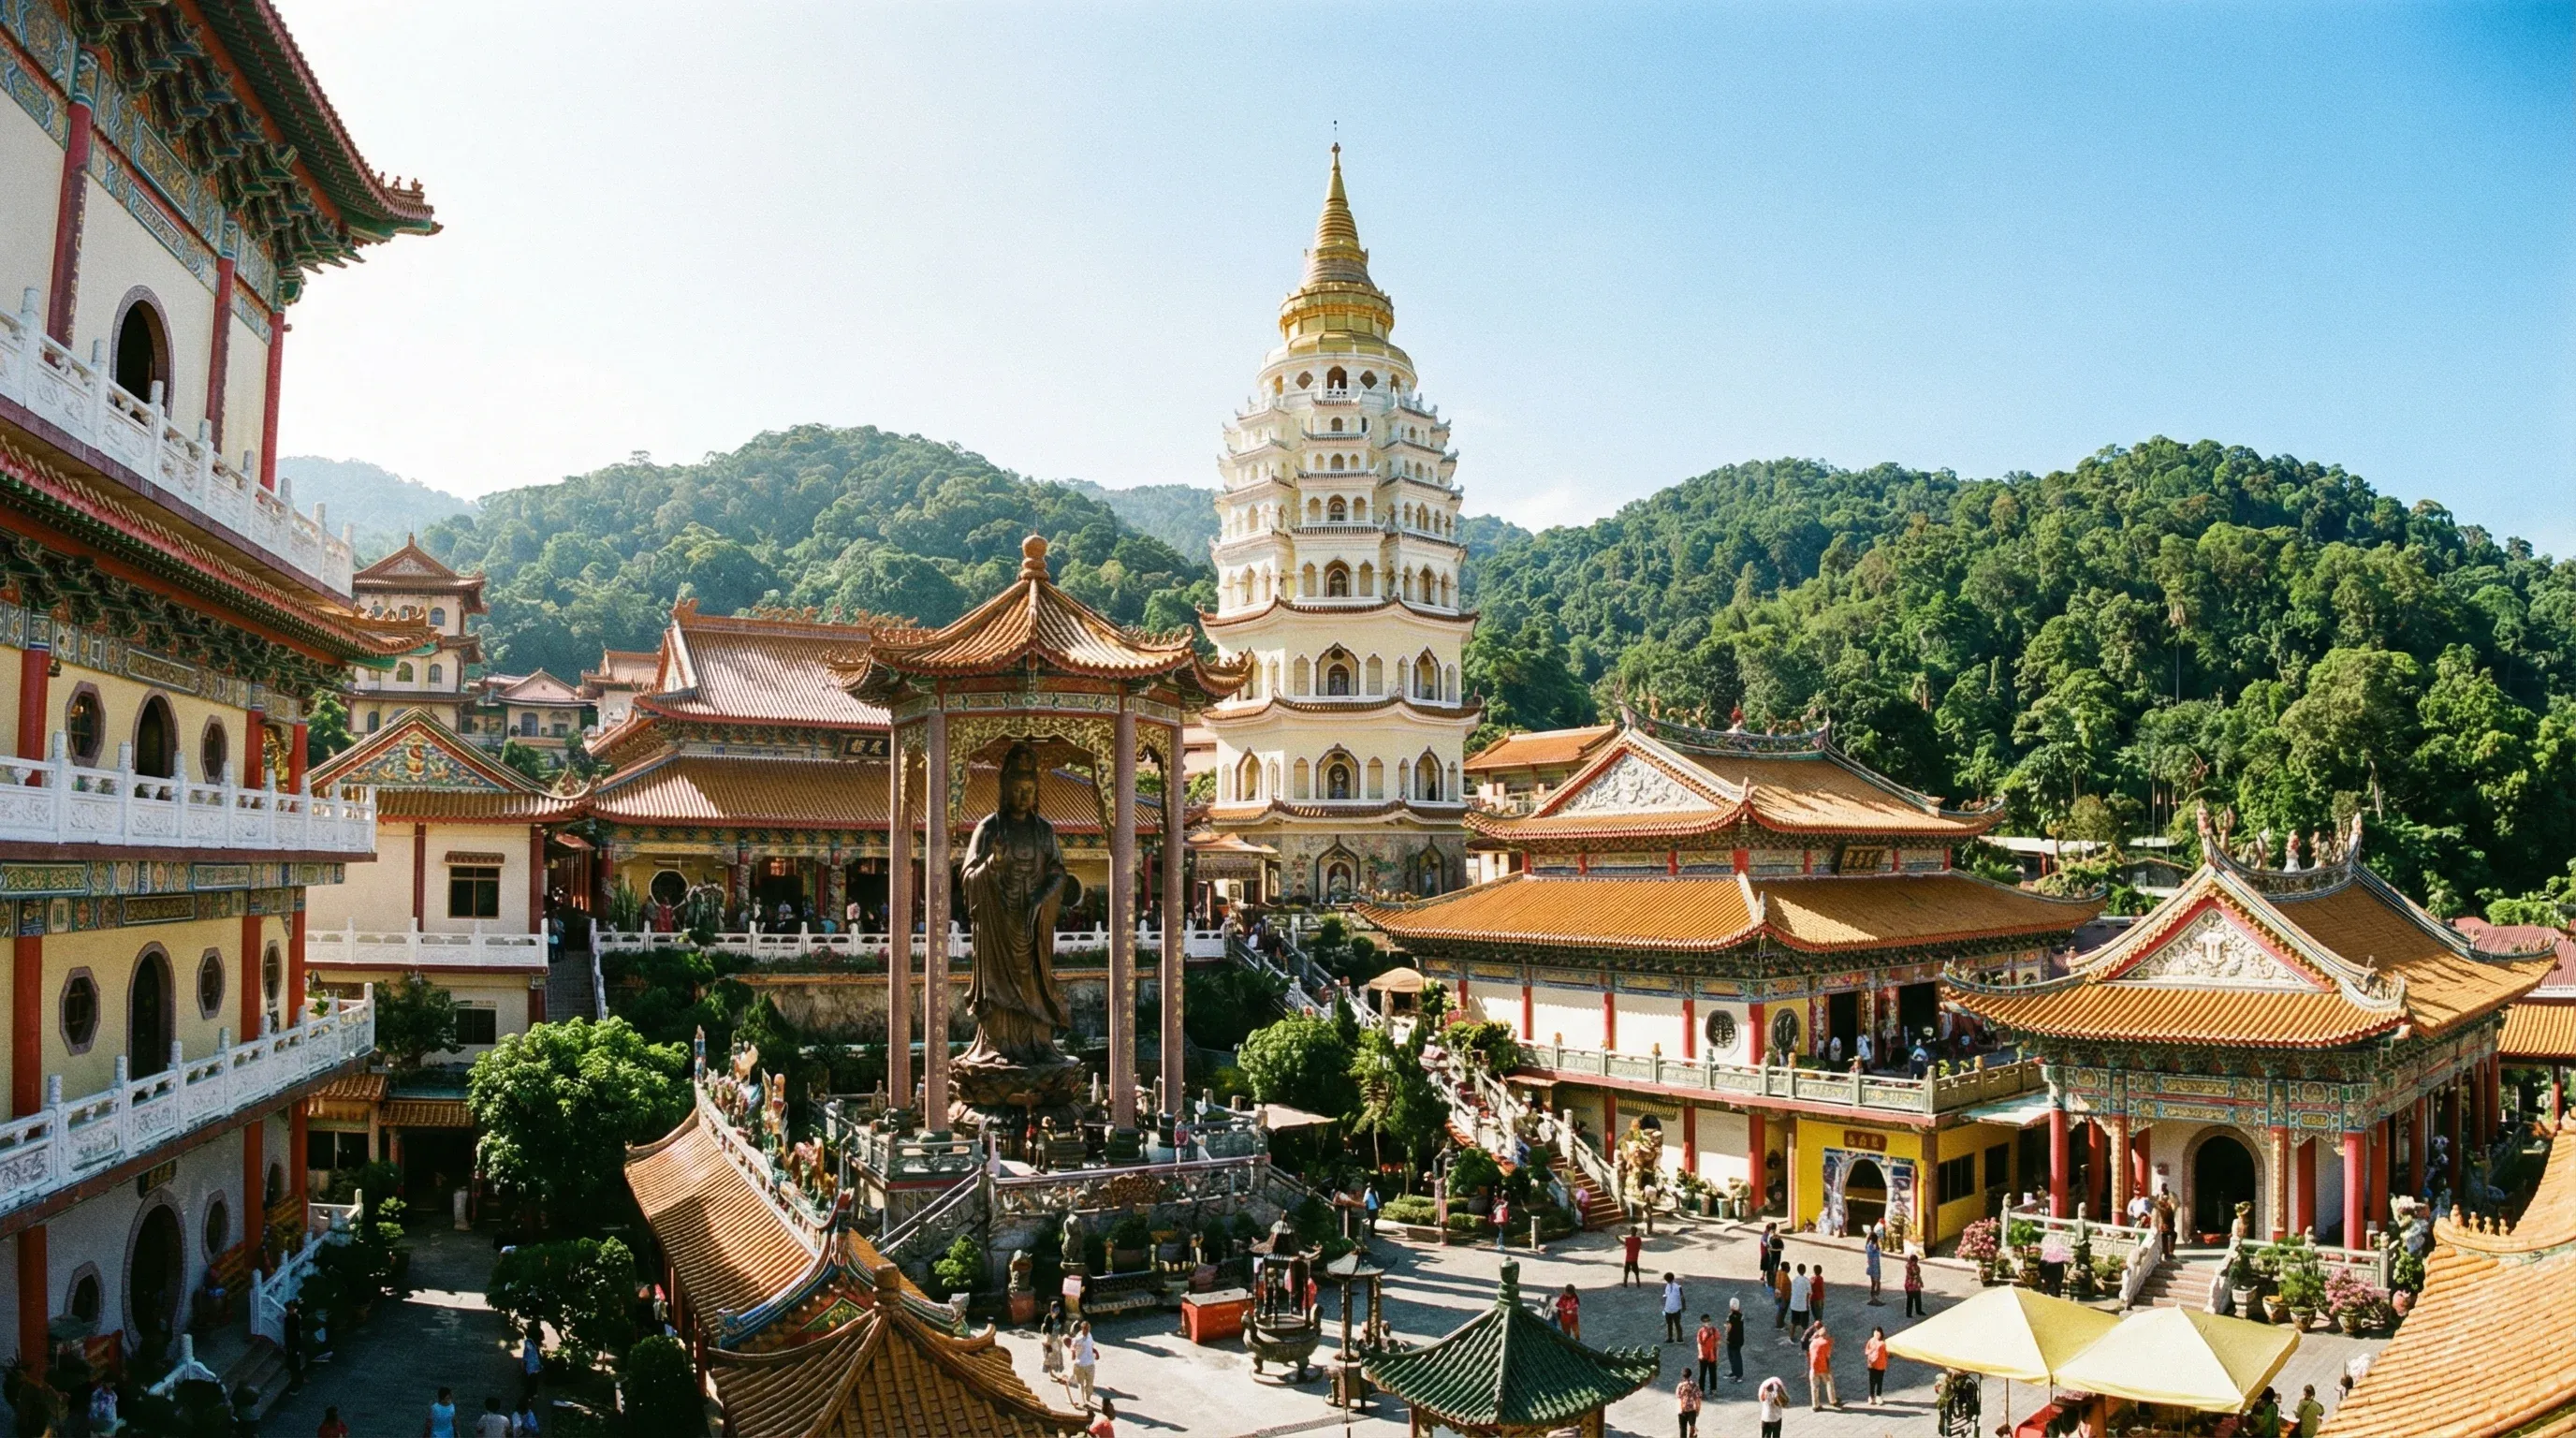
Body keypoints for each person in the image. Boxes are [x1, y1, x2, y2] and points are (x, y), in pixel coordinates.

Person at [1806, 1323, 1839, 1411]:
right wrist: (1828, 1369)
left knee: (1814, 1387)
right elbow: (1827, 1356)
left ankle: (1815, 1405)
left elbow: (1809, 1355)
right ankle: (1833, 1401)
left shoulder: (1812, 1343)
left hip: (1813, 1367)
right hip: (1823, 1367)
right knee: (1829, 1382)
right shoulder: (1826, 1342)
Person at [1070, 1320, 1100, 1407]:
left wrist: (1096, 1353)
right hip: (1080, 1365)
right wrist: (1073, 1353)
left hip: (1090, 1364)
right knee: (1081, 1385)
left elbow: (1091, 1346)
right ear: (1082, 1328)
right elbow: (1072, 1346)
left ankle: (1088, 1398)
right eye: (1085, 1329)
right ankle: (1083, 1401)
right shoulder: (1078, 1338)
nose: (1087, 1331)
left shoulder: (1090, 1335)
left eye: (1088, 1329)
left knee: (1090, 1383)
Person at [1756, 1373, 1790, 1438]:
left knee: (1766, 1435)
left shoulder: (1764, 1392)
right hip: (1777, 1418)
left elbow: (1761, 1399)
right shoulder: (1778, 1390)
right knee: (1776, 1434)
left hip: (1766, 1417)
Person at [1864, 1325, 1889, 1405]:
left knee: (1879, 1381)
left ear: (1881, 1334)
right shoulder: (1871, 1341)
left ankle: (1878, 1396)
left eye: (1878, 1334)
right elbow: (1866, 1351)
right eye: (1875, 1334)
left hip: (1881, 1365)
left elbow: (1887, 1353)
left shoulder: (1883, 1343)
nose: (1877, 1335)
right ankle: (1871, 1396)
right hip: (1872, 1365)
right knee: (1872, 1381)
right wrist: (1872, 1351)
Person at [1787, 1263, 1811, 1342]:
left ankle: (1791, 1336)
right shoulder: (1806, 1281)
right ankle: (1805, 1339)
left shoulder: (1794, 1280)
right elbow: (1809, 1292)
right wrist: (1807, 1304)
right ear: (1804, 1270)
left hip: (1794, 1304)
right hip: (1803, 1305)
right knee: (1804, 1324)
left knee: (1793, 1322)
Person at [1693, 1312, 1719, 1389]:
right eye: (1706, 1321)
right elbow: (1699, 1343)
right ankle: (1701, 1390)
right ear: (1703, 1323)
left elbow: (1717, 1344)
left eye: (1709, 1321)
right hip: (1703, 1356)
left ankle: (1713, 1389)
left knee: (1713, 1374)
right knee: (1702, 1374)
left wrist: (1717, 1356)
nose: (1708, 1323)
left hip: (1712, 1356)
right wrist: (1701, 1353)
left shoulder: (1714, 1330)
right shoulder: (1701, 1331)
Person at [1675, 1372, 1703, 1438]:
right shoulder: (1694, 1385)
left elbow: (1678, 1397)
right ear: (1690, 1375)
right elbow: (1698, 1399)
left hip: (1682, 1409)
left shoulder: (1680, 1385)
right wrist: (1698, 1409)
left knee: (1682, 1429)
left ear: (1683, 1376)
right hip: (1692, 1410)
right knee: (1692, 1427)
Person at [1724, 1298, 1746, 1383]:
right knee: (1736, 1357)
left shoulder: (1730, 1317)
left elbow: (1728, 1328)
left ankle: (1738, 1376)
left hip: (1732, 1341)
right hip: (1739, 1340)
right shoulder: (1741, 1315)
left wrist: (1726, 1329)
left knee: (1733, 1357)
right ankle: (1735, 1372)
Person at [520, 1323, 544, 1401]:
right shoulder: (537, 1342)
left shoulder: (529, 1342)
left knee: (529, 1379)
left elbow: (527, 1352)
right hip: (536, 1363)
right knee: (535, 1378)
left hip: (530, 1363)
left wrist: (523, 1361)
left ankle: (529, 1393)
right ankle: (534, 1393)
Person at [1661, 1272, 1685, 1343]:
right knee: (1675, 1324)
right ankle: (1677, 1338)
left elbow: (1682, 1297)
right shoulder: (1673, 1287)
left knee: (1672, 1324)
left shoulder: (1677, 1287)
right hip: (1671, 1308)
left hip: (1672, 1308)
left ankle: (1674, 1338)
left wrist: (1683, 1306)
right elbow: (1682, 1297)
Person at [1904, 1250, 1926, 1318]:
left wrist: (1921, 1282)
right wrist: (1916, 1277)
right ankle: (1909, 1314)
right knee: (1910, 1300)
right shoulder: (1908, 1266)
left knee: (1918, 1299)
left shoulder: (1917, 1267)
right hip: (1910, 1285)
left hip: (1916, 1285)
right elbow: (1911, 1275)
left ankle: (1919, 1311)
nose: (1916, 1262)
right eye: (1915, 1261)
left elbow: (1918, 1275)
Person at [1772, 1258, 1793, 1330]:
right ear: (1786, 1268)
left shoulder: (1779, 1272)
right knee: (1782, 1311)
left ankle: (1780, 1322)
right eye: (1788, 1266)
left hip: (1778, 1294)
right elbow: (1783, 1287)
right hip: (1784, 1296)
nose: (1789, 1268)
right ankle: (1779, 1325)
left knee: (1781, 1310)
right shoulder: (1784, 1276)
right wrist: (1784, 1298)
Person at [1865, 1228, 1883, 1304]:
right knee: (1876, 1283)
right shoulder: (1873, 1247)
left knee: (1873, 1283)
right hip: (1875, 1266)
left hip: (1872, 1266)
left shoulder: (1868, 1246)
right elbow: (1878, 1252)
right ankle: (1874, 1297)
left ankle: (1873, 1298)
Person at [1757, 1222, 1778, 1286]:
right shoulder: (1765, 1234)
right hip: (1765, 1251)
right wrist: (1769, 1245)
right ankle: (1765, 1276)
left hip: (1767, 1250)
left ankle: (1765, 1276)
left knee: (1768, 1263)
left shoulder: (1769, 1233)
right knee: (1766, 1263)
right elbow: (1764, 1242)